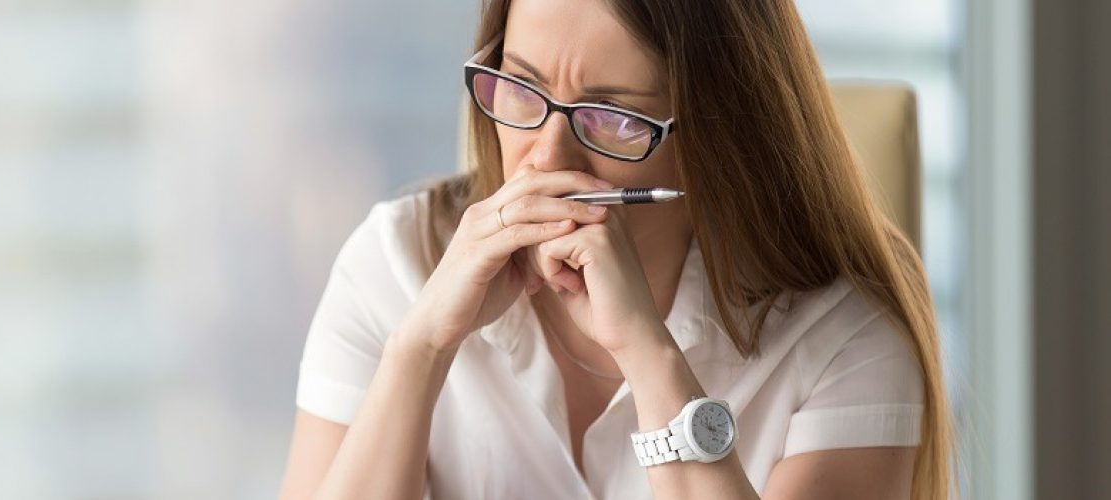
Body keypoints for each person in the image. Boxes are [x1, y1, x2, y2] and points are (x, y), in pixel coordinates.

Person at [278, 0, 955, 498]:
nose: (545, 157)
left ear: (719, 136)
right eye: (522, 86)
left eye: (611, 117)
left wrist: (647, 353)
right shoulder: (390, 265)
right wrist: (420, 348)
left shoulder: (845, 339)